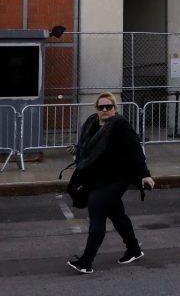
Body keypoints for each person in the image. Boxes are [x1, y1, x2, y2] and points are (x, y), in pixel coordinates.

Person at [66, 92, 156, 275]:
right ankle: (134, 249)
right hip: (95, 178)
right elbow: (87, 145)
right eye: (101, 107)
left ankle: (86, 261)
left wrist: (145, 175)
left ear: (115, 109)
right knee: (117, 214)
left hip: (116, 178)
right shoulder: (92, 123)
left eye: (109, 107)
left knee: (97, 215)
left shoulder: (120, 126)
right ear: (96, 109)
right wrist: (77, 149)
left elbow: (135, 150)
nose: (105, 110)